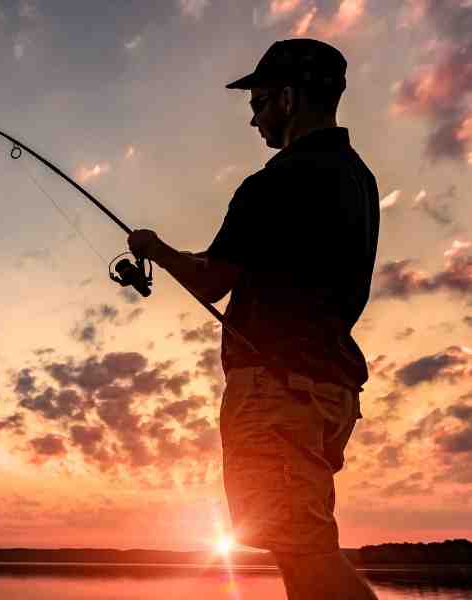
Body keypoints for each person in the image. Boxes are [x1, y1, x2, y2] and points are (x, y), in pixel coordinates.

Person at [128, 39, 380, 599]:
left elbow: (212, 279)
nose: (253, 118)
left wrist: (155, 247)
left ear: (289, 99)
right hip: (329, 391)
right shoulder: (358, 179)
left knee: (307, 554)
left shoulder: (274, 182)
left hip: (277, 392)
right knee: (297, 550)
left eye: (260, 102)